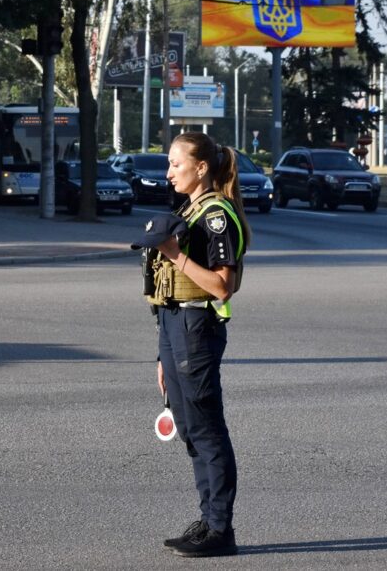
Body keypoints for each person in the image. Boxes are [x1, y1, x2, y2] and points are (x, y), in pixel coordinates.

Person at [137, 132, 251, 558]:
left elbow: (223, 286)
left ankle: (220, 529)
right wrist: (161, 353)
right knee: (188, 428)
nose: (168, 173)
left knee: (206, 429)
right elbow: (165, 285)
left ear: (201, 168)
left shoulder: (216, 215)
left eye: (175, 164)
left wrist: (175, 254)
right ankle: (207, 521)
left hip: (196, 325)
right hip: (173, 325)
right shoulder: (190, 208)